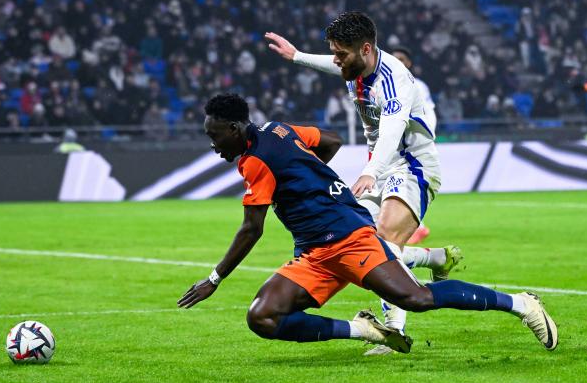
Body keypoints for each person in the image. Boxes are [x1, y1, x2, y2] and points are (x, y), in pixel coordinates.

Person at [177, 93, 558, 355]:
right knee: (262, 317)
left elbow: (251, 229)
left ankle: (521, 304)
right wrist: (312, 177)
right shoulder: (280, 129)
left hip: (347, 236)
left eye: (215, 135)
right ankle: (366, 329)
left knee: (416, 299)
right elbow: (330, 140)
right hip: (314, 252)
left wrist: (213, 279)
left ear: (235, 128)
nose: (213, 145)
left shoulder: (256, 161)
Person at [265, 12, 462, 354]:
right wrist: (297, 56)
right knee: (359, 240)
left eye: (341, 54)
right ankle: (435, 259)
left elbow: (392, 130)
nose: (336, 60)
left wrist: (372, 171)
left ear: (366, 49)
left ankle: (394, 331)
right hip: (380, 165)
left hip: (411, 164)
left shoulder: (395, 79)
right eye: (335, 53)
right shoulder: (354, 68)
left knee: (384, 241)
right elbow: (333, 64)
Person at [390, 45, 436, 245]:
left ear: (409, 64)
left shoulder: (417, 85)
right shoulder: (385, 85)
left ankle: (418, 226)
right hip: (393, 143)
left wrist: (422, 139)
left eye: (401, 58)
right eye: (394, 59)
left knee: (403, 183)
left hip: (409, 145)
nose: (397, 62)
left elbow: (428, 113)